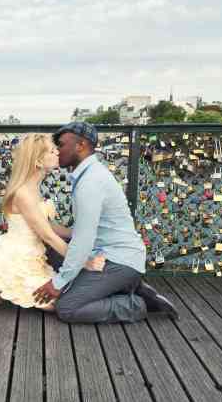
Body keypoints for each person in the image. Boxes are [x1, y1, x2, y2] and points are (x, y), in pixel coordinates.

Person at [32, 121, 178, 323]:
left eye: (62, 144)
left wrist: (58, 283)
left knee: (67, 308)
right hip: (103, 254)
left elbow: (83, 239)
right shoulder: (87, 175)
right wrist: (43, 227)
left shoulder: (91, 182)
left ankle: (137, 305)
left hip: (119, 260)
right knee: (47, 247)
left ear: (80, 146)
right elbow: (85, 232)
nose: (58, 151)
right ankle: (123, 285)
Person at [0, 133, 105, 311]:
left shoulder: (34, 187)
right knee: (55, 305)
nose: (57, 152)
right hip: (18, 259)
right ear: (38, 162)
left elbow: (47, 226)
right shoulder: (23, 194)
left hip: (35, 256)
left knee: (59, 300)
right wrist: (84, 261)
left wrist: (78, 233)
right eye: (51, 150)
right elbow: (48, 236)